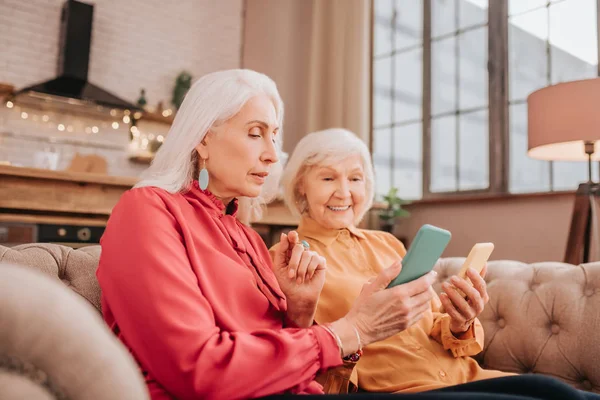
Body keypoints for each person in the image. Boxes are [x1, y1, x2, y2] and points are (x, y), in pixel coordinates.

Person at [97, 69, 593, 400]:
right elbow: (200, 368)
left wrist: (299, 307)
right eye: (256, 134)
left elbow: (287, 356)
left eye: (275, 136)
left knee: (554, 392)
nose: (272, 154)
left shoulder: (240, 234)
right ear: (202, 137)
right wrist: (352, 328)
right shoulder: (148, 211)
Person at [274, 127, 600, 399]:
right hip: (405, 389)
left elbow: (436, 326)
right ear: (300, 184)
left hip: (467, 377)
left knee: (556, 390)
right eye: (328, 179)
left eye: (356, 179)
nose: (344, 192)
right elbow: (306, 359)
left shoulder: (386, 243)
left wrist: (460, 321)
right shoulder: (289, 259)